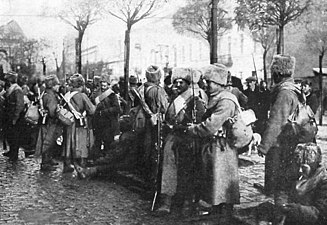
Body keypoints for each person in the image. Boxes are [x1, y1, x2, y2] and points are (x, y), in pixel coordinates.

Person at [186, 64, 240, 222]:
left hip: (223, 146)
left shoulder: (226, 101)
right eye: (206, 81)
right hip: (215, 145)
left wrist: (193, 129)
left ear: (219, 84)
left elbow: (211, 126)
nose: (206, 85)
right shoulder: (217, 98)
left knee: (221, 177)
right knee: (215, 178)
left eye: (209, 82)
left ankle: (224, 211)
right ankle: (217, 208)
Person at [156, 67, 206, 216]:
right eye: (175, 82)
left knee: (187, 173)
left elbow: (199, 120)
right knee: (169, 171)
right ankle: (167, 202)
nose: (177, 85)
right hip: (173, 138)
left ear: (187, 83)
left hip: (188, 139)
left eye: (181, 82)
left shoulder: (196, 98)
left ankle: (187, 204)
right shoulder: (175, 98)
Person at [257, 55, 309, 196]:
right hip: (292, 143)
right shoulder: (294, 89)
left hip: (281, 146)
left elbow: (276, 121)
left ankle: (279, 213)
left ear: (278, 73)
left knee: (278, 187)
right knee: (287, 184)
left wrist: (264, 146)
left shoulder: (284, 93)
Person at [274, 143, 327, 225]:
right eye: (298, 166)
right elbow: (282, 189)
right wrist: (281, 203)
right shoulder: (296, 174)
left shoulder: (323, 181)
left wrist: (297, 210)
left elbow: (320, 213)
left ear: (313, 166)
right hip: (289, 215)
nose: (300, 170)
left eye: (304, 168)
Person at [138, 65, 169, 185]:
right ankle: (154, 178)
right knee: (155, 149)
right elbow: (165, 107)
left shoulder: (142, 88)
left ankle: (146, 176)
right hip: (156, 122)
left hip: (145, 121)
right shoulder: (157, 90)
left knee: (146, 148)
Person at [63, 74, 95, 171]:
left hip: (68, 123)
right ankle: (81, 166)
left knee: (68, 144)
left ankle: (67, 164)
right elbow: (92, 110)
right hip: (80, 124)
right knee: (81, 145)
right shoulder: (82, 96)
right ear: (81, 84)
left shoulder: (66, 95)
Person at [35, 75, 62, 171]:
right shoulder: (51, 96)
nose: (58, 86)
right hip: (51, 122)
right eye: (57, 84)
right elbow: (52, 111)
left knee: (46, 140)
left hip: (45, 122)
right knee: (48, 141)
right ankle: (45, 163)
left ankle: (48, 159)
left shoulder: (45, 93)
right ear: (53, 85)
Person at [92, 74, 120, 160]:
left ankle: (107, 160)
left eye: (105, 85)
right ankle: (96, 159)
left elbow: (117, 109)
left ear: (108, 85)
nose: (103, 87)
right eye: (102, 84)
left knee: (108, 142)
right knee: (97, 141)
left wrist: (104, 112)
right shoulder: (95, 94)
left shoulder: (112, 95)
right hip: (98, 122)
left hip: (108, 123)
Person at [2, 71, 25, 161]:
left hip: (15, 116)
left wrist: (15, 117)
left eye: (7, 79)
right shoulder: (12, 88)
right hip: (9, 115)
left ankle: (14, 154)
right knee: (10, 134)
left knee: (15, 136)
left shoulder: (17, 89)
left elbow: (19, 105)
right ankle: (11, 151)